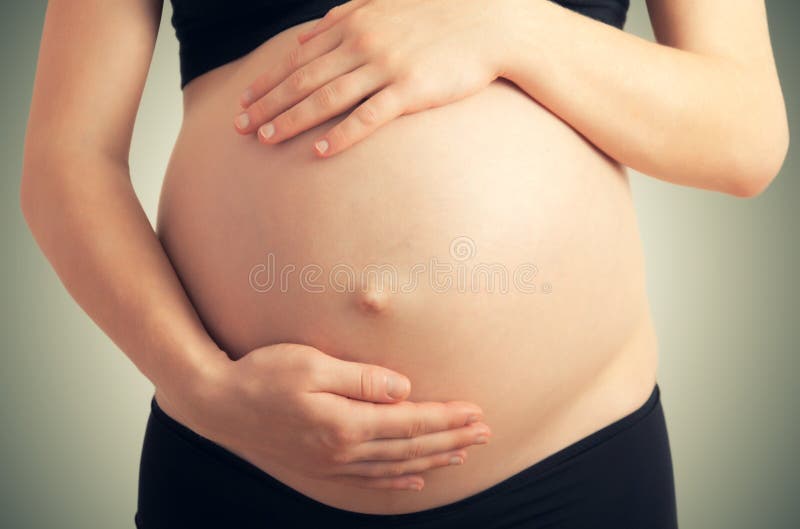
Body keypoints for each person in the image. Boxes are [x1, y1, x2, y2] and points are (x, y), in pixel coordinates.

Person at [20, 0, 788, 528]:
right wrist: (203, 387)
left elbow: (746, 133)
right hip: (239, 456)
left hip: (566, 471)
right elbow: (68, 157)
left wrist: (506, 25)